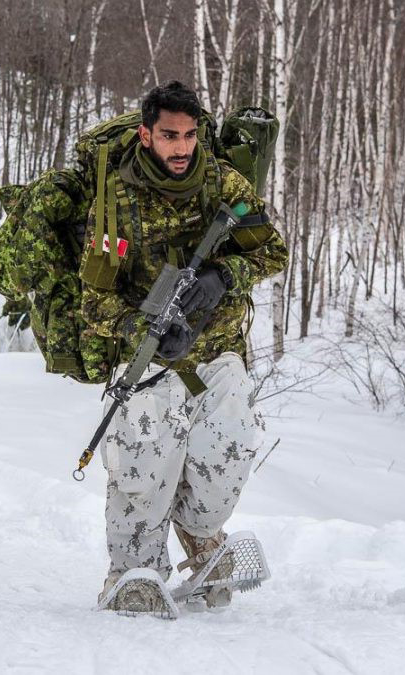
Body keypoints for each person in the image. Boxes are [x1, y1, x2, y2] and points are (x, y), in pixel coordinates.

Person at [21, 81, 288, 613]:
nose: (181, 147)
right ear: (146, 135)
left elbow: (273, 252)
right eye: (169, 135)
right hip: (148, 360)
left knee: (230, 457)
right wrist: (137, 328)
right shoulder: (116, 203)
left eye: (189, 135)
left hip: (219, 355)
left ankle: (201, 537)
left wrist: (223, 276)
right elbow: (95, 302)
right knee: (142, 470)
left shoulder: (223, 182)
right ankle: (133, 572)